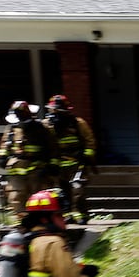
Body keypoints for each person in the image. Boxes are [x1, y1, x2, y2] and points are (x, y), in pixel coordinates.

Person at [42, 95, 97, 224]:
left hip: (76, 163)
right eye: (54, 110)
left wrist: (85, 155)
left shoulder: (78, 123)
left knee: (77, 190)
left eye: (59, 111)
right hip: (58, 164)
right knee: (60, 192)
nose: (56, 113)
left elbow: (90, 141)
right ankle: (66, 215)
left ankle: (80, 215)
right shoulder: (46, 125)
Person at [0, 101, 56, 213]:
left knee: (38, 198)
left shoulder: (41, 128)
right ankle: (21, 224)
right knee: (16, 197)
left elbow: (52, 148)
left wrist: (51, 165)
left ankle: (39, 222)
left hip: (37, 170)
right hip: (16, 171)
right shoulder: (11, 129)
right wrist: (2, 157)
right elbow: (5, 145)